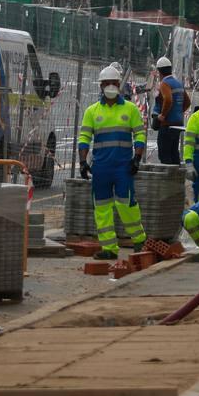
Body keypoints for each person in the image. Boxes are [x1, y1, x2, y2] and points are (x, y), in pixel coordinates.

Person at [78, 65, 147, 259]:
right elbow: (84, 138)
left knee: (127, 204)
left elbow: (140, 133)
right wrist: (83, 162)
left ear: (119, 85)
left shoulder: (130, 109)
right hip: (101, 168)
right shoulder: (92, 111)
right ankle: (109, 248)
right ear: (100, 86)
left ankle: (139, 239)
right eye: (106, 83)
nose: (110, 86)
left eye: (113, 83)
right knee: (102, 208)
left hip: (123, 167)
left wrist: (137, 158)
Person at [151, 56, 186, 165]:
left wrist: (162, 115)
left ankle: (168, 179)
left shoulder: (165, 83)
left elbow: (168, 99)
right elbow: (187, 101)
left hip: (167, 125)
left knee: (164, 154)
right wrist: (179, 111)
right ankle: (176, 179)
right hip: (178, 124)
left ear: (159, 71)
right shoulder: (178, 83)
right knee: (174, 153)